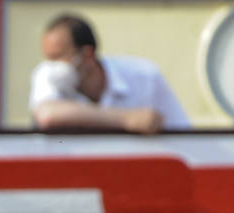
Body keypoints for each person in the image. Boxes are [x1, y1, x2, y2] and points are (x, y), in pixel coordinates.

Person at [29, 12, 189, 134]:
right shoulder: (45, 75)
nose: (52, 65)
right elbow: (48, 115)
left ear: (87, 55)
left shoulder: (145, 77)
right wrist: (127, 119)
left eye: (58, 57)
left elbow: (183, 135)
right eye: (49, 58)